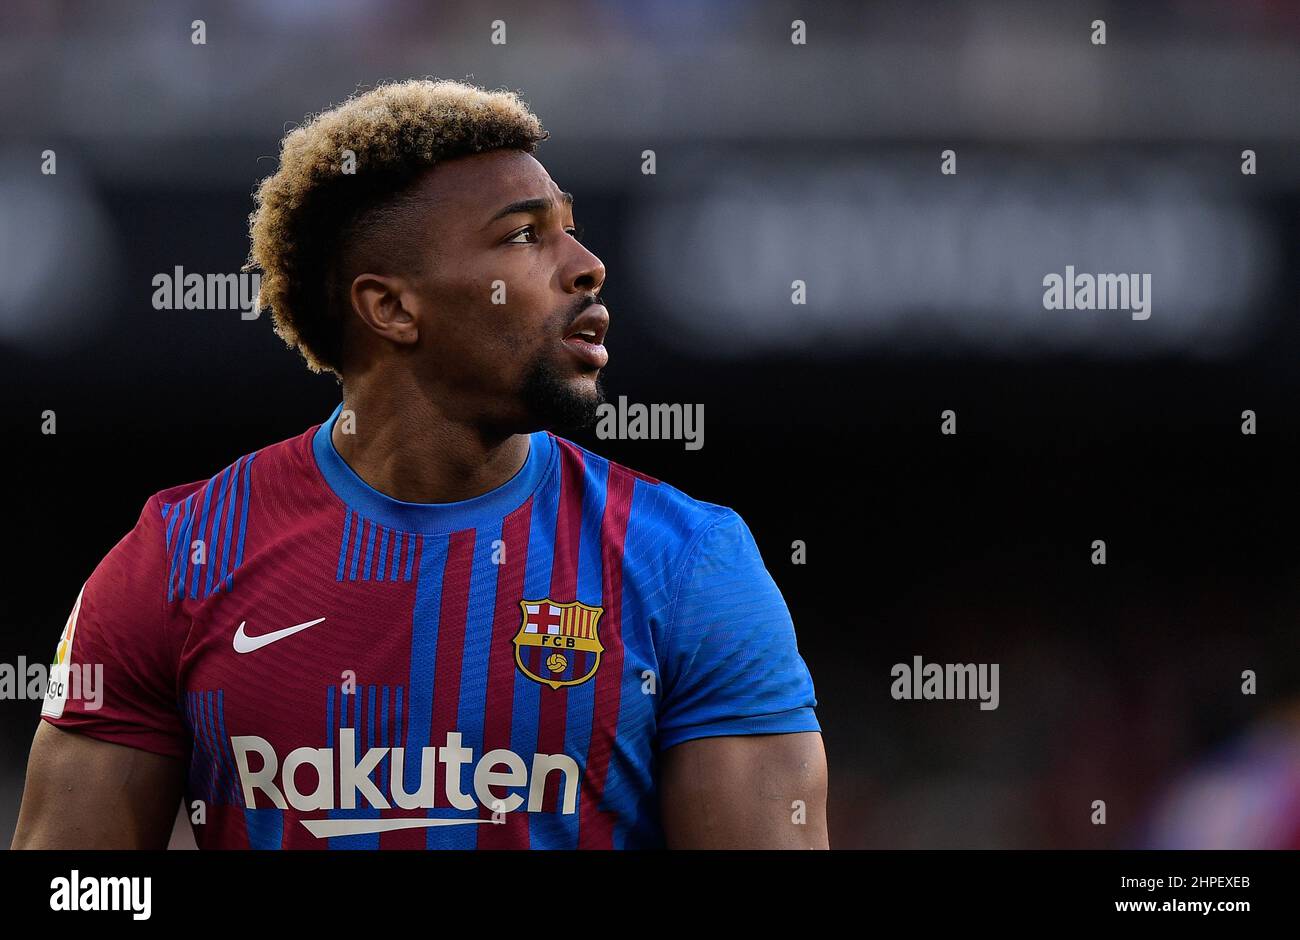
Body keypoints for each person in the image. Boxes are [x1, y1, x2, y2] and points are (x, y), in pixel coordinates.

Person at [12, 80, 827, 849]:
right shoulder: (177, 558)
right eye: (523, 235)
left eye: (570, 227)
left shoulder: (688, 563)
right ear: (392, 307)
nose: (585, 264)